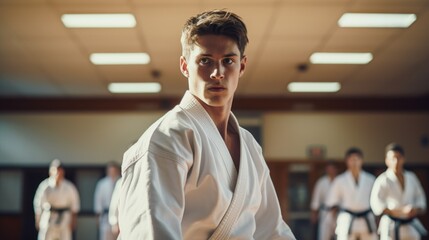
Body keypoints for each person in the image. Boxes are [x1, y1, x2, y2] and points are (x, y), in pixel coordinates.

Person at [117, 9, 295, 239]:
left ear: (241, 66)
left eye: (228, 61)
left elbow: (272, 229)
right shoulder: (167, 138)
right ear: (184, 66)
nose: (217, 73)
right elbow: (151, 232)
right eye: (205, 61)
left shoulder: (250, 146)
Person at [370, 143, 427, 240]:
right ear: (387, 160)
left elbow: (420, 199)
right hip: (391, 225)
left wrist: (415, 210)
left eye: (399, 157)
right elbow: (377, 205)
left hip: (410, 224)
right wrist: (399, 212)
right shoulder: (383, 180)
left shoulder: (411, 177)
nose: (396, 161)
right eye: (392, 158)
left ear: (403, 159)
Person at [326, 148, 377, 240]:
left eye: (357, 159)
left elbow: (377, 203)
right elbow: (332, 204)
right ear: (347, 162)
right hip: (347, 219)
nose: (354, 163)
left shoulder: (371, 179)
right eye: (351, 160)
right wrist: (332, 224)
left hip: (366, 219)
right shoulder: (339, 180)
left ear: (362, 161)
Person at [33, 159, 80, 240]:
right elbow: (38, 204)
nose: (57, 173)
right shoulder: (45, 186)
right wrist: (38, 219)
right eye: (55, 170)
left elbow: (75, 205)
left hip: (64, 219)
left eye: (60, 170)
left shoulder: (69, 187)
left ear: (63, 172)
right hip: (49, 217)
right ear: (50, 171)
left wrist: (73, 221)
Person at [311, 161, 338, 240]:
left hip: (339, 212)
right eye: (328, 169)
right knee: (324, 236)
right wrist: (314, 213)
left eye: (332, 169)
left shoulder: (340, 181)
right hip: (325, 211)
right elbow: (316, 198)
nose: (330, 171)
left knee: (340, 235)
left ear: (336, 170)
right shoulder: (321, 182)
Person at [94, 162, 121, 240]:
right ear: (107, 172)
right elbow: (98, 201)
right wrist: (97, 218)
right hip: (105, 216)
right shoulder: (102, 184)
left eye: (114, 171)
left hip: (119, 215)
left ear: (118, 171)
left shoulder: (121, 182)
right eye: (110, 171)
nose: (112, 173)